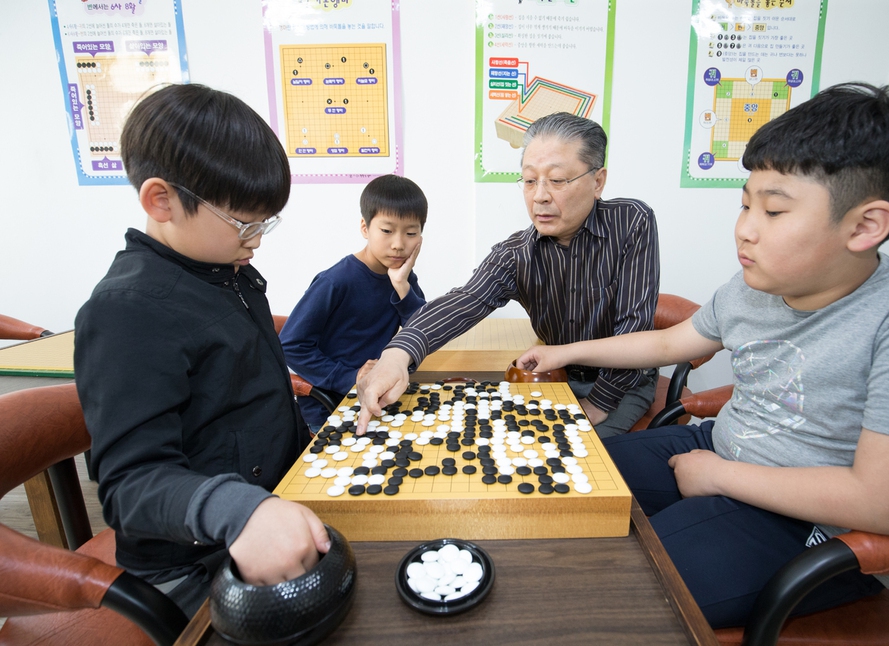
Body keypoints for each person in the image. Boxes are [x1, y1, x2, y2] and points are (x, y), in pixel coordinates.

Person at [515, 83, 889, 628]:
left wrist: (720, 478)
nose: (745, 229)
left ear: (866, 225)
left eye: (774, 211)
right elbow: (666, 343)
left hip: (815, 516)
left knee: (616, 585)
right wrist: (563, 350)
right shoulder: (753, 286)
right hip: (723, 445)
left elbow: (887, 503)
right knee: (556, 475)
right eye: (745, 204)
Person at [73, 83, 330, 617]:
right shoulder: (128, 309)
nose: (257, 239)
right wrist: (239, 510)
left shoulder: (228, 274)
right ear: (161, 200)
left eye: (266, 222)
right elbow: (131, 485)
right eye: (244, 223)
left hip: (276, 501)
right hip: (194, 557)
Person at [355, 112, 660, 437]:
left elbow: (634, 329)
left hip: (622, 384)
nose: (540, 195)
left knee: (583, 458)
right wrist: (396, 355)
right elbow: (464, 301)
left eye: (556, 180)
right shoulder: (516, 253)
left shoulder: (632, 223)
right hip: (554, 375)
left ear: (597, 181)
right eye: (529, 180)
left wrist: (595, 406)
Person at [280, 175, 427, 429]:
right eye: (387, 231)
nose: (398, 244)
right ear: (364, 227)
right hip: (328, 407)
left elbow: (422, 332)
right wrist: (352, 376)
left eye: (411, 233)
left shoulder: (403, 277)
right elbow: (290, 345)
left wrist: (402, 285)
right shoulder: (336, 281)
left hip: (373, 397)